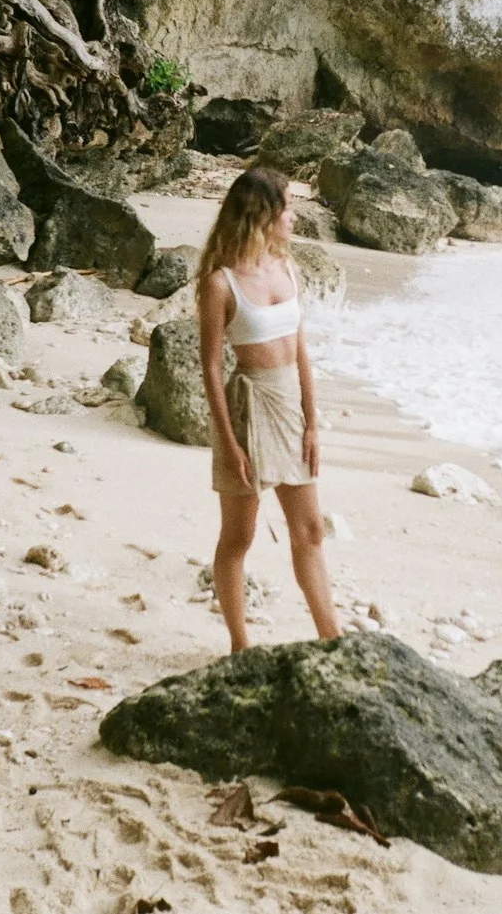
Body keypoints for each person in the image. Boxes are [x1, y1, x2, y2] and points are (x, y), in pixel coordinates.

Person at [197, 167, 342, 653]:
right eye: (289, 207)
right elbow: (212, 367)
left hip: (290, 406)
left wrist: (313, 423)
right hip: (246, 408)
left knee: (311, 530)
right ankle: (239, 644)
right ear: (264, 214)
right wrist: (229, 441)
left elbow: (300, 349)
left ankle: (332, 639)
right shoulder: (220, 283)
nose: (295, 217)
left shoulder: (287, 268)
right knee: (240, 535)